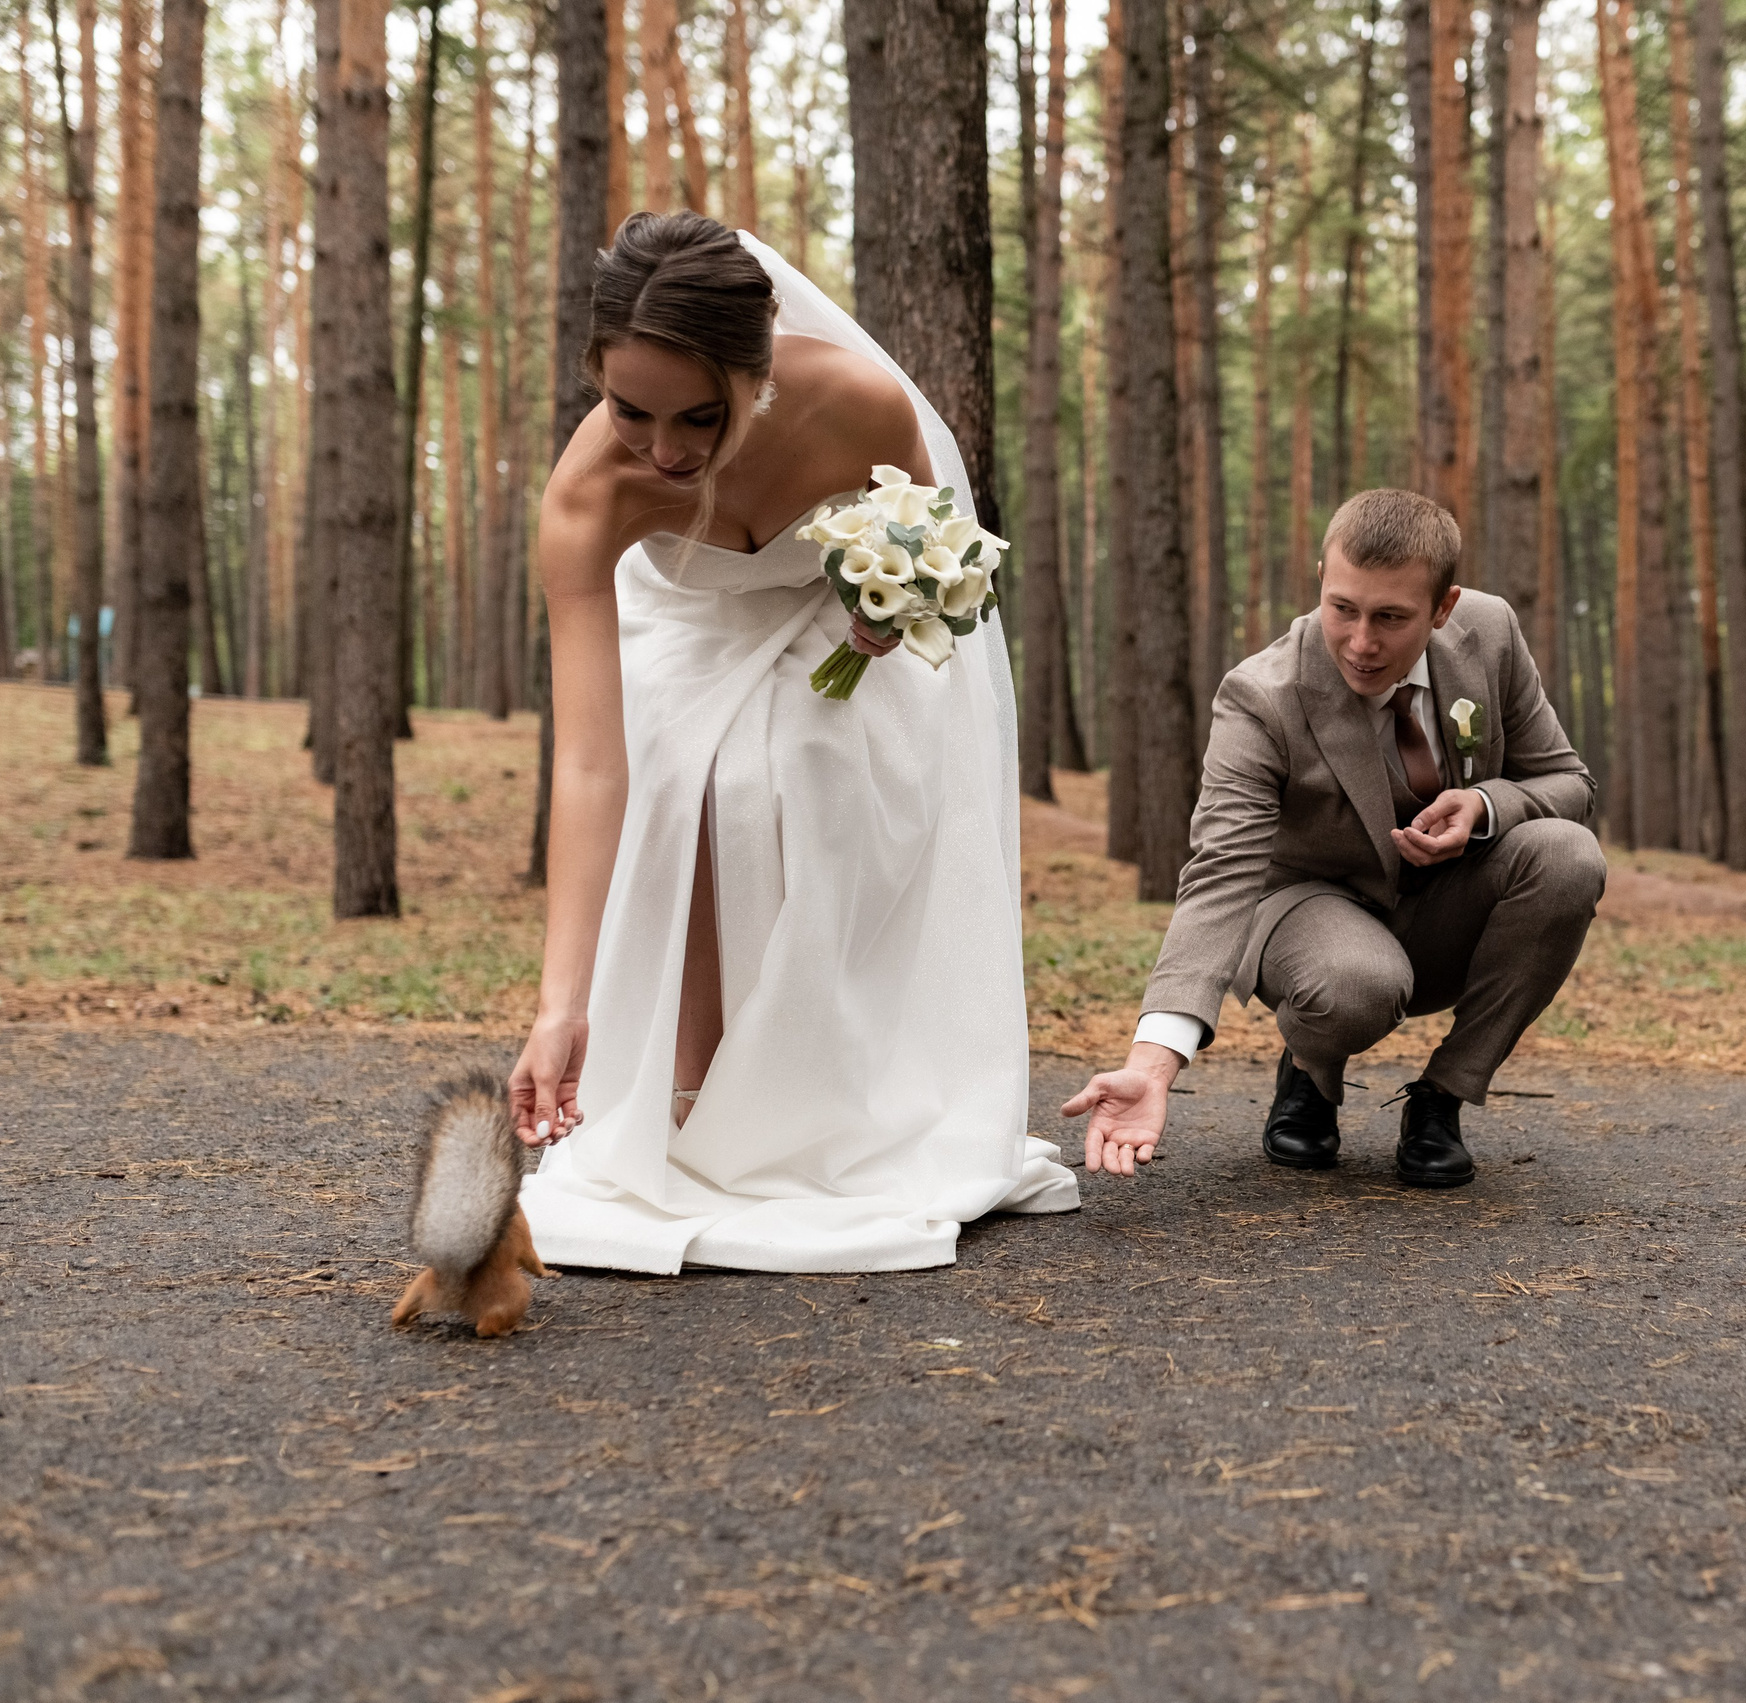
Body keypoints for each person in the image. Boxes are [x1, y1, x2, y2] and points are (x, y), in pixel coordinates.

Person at [507, 211, 1076, 1274]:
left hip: (831, 613)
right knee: (693, 781)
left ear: (759, 368)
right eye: (631, 409)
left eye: (700, 416)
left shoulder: (857, 402)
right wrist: (560, 1007)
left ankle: (820, 1093)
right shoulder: (588, 495)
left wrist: (887, 606)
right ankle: (691, 1100)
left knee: (806, 770)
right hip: (684, 626)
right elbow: (590, 762)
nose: (666, 451)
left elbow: (923, 533)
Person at [1064, 490, 1605, 1189]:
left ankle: (1442, 1096)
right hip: (1307, 913)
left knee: (1569, 855)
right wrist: (1152, 1061)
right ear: (1321, 576)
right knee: (1355, 985)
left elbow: (1569, 781)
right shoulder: (1261, 696)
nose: (1360, 641)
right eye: (1342, 607)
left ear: (1444, 609)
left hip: (1442, 910)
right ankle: (1311, 1067)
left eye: (1391, 617)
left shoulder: (1490, 633)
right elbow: (1221, 873)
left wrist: (1483, 801)